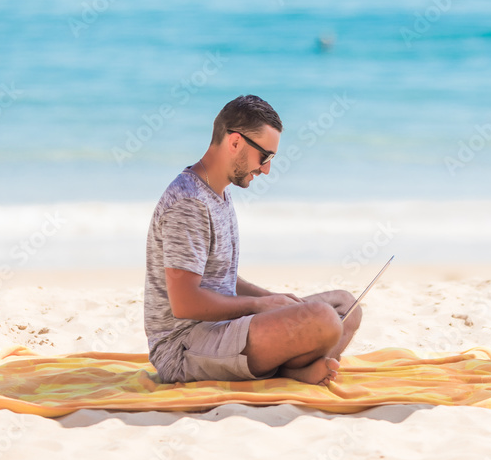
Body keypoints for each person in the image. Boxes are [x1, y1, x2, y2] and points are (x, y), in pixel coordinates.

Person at [143, 94, 361, 385]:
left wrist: (273, 300)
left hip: (224, 328)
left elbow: (222, 279)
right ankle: (290, 371)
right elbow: (184, 303)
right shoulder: (189, 203)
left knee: (347, 306)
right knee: (322, 319)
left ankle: (292, 370)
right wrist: (258, 306)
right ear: (235, 143)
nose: (267, 168)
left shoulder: (218, 191)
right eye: (265, 156)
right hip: (186, 347)